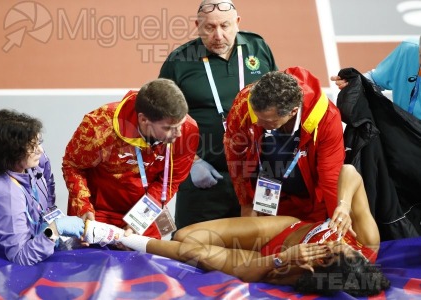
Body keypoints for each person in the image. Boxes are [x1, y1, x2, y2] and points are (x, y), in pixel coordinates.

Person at [83, 165, 390, 297]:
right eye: (346, 247)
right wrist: (343, 205)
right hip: (284, 229)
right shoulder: (367, 241)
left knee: (190, 250)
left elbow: (256, 274)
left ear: (322, 263)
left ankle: (119, 237)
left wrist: (283, 260)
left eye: (333, 249)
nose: (338, 241)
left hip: (266, 262)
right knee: (183, 233)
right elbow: (350, 172)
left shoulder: (307, 272)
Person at [159, 0, 278, 230]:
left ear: (238, 23)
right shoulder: (179, 61)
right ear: (197, 25)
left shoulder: (258, 48)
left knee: (258, 247)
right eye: (210, 28)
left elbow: (280, 100)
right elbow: (161, 120)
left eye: (225, 26)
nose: (218, 35)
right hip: (205, 179)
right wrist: (191, 162)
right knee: (193, 251)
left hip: (257, 174)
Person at [62, 78, 199, 239]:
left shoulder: (189, 130)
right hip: (98, 211)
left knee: (147, 263)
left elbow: (170, 181)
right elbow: (73, 165)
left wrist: (139, 220)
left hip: (147, 210)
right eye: (169, 128)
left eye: (180, 125)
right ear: (143, 120)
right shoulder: (99, 126)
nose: (179, 134)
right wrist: (83, 206)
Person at [224, 67, 345, 220]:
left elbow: (330, 177)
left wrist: (337, 223)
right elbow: (234, 153)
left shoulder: (326, 119)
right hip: (264, 196)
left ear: (293, 112)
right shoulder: (246, 102)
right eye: (256, 116)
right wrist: (246, 202)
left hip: (310, 201)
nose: (256, 122)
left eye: (267, 121)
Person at [0, 109, 84, 266]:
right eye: (32, 147)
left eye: (38, 142)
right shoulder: (6, 196)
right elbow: (21, 256)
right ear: (11, 154)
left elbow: (47, 182)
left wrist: (49, 213)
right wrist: (53, 230)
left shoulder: (32, 160)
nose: (40, 150)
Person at [331, 36, 421, 119]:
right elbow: (375, 80)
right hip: (403, 128)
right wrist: (355, 81)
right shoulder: (409, 50)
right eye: (420, 55)